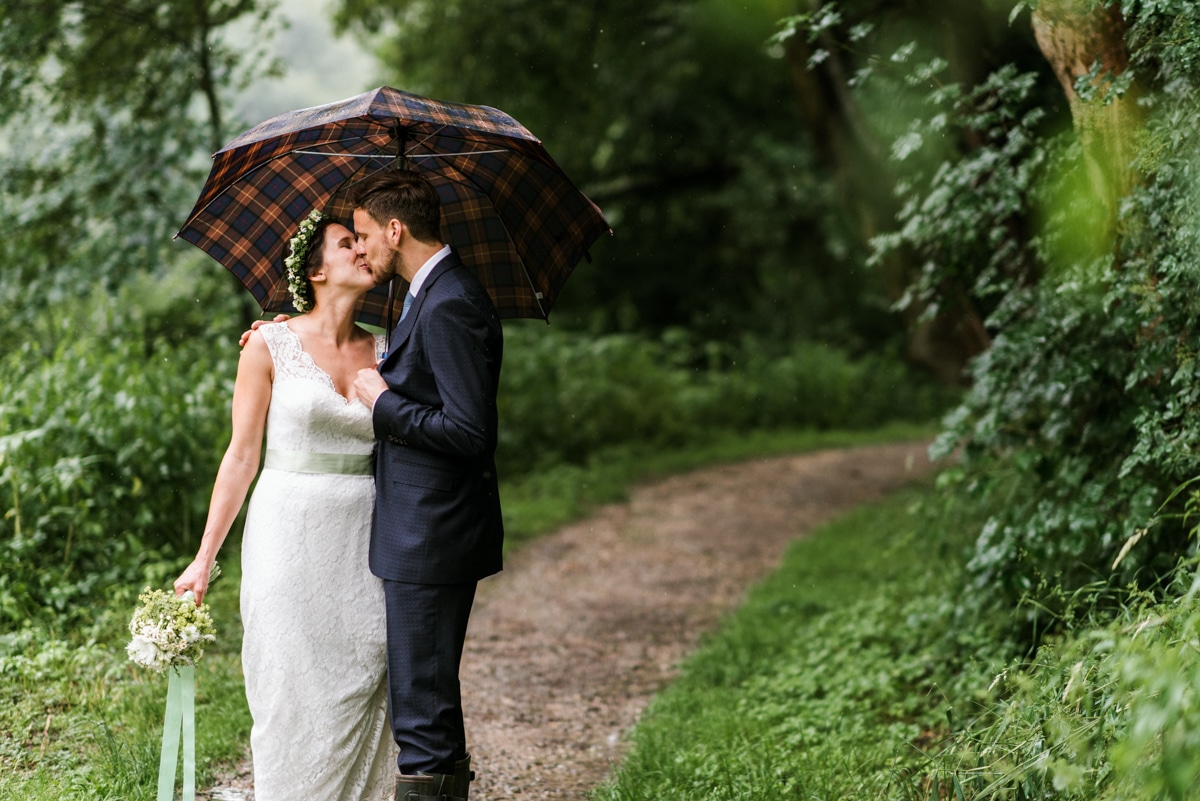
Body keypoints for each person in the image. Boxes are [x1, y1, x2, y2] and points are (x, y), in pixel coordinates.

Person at [175, 213, 398, 801]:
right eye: (346, 244)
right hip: (286, 536)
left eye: (362, 242)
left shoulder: (390, 347)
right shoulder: (269, 344)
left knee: (368, 669)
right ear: (316, 271)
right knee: (287, 684)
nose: (361, 251)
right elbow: (240, 458)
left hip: (365, 537)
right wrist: (204, 560)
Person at [349, 170, 504, 801]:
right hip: (421, 528)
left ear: (395, 229)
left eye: (363, 236)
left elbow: (470, 432)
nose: (361, 249)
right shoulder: (423, 294)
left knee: (423, 708)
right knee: (424, 697)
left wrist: (383, 403)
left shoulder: (450, 301)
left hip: (433, 533)